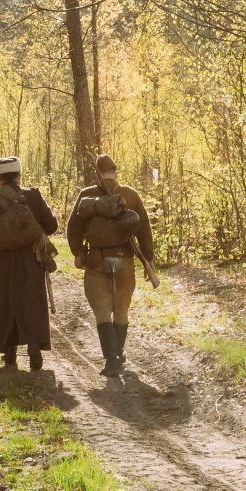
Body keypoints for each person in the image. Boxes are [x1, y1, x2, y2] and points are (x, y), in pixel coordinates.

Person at [67, 153, 158, 376]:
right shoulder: (130, 194)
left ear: (97, 174)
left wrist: (78, 253)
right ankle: (118, 353)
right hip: (124, 260)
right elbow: (144, 229)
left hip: (97, 260)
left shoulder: (86, 195)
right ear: (116, 171)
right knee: (121, 310)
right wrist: (149, 261)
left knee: (102, 311)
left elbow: (73, 229)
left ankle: (112, 360)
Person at [0, 155, 58, 370]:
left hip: (2, 262)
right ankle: (34, 347)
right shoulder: (34, 196)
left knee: (3, 303)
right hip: (32, 259)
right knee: (32, 302)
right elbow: (52, 225)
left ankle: (9, 352)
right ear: (19, 174)